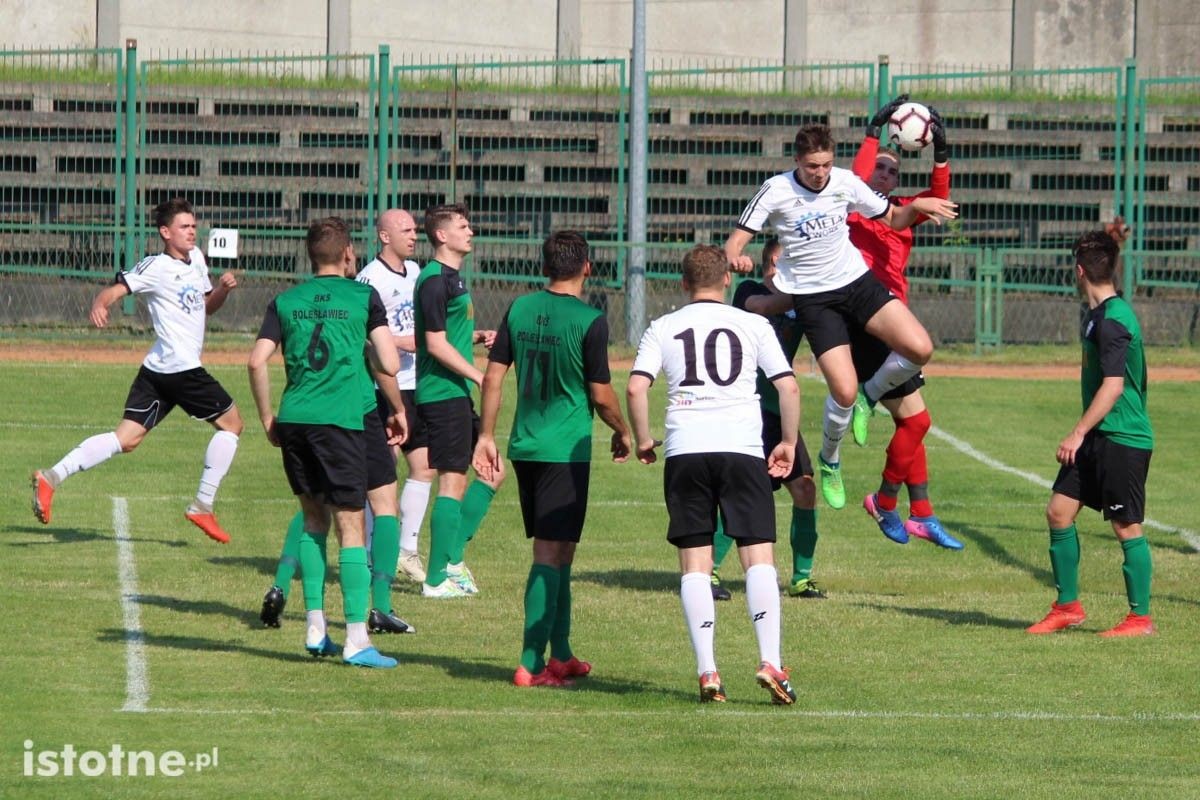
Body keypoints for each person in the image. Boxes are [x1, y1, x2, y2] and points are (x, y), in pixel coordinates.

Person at [723, 123, 957, 512]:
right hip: (816, 300)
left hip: (858, 284)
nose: (820, 173)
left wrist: (916, 207)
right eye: (813, 165)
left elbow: (894, 220)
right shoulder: (776, 190)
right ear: (798, 161)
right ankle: (831, 460)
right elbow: (737, 239)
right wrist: (737, 256)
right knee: (843, 392)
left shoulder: (845, 182)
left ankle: (872, 393)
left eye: (826, 164)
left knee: (920, 348)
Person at [627, 244, 800, 705]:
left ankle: (708, 672)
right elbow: (787, 385)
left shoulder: (662, 326)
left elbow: (636, 385)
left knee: (695, 563)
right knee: (757, 557)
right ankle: (770, 661)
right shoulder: (753, 323)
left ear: (683, 284)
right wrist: (785, 441)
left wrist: (644, 439)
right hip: (741, 448)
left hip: (686, 448)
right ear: (726, 279)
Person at [31, 197, 242, 543]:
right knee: (233, 424)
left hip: (158, 368)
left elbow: (206, 308)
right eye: (184, 227)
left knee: (125, 439)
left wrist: (221, 290)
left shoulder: (198, 260)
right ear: (165, 232)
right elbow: (117, 289)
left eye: (193, 225)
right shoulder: (155, 266)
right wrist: (101, 303)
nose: (192, 231)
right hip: (181, 369)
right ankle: (203, 504)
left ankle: (51, 477)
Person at [473, 231, 632, 688]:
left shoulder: (518, 308)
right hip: (564, 451)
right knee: (549, 551)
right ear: (587, 266)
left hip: (526, 445)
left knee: (562, 550)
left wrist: (486, 434)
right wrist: (623, 431)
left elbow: (494, 377)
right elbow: (601, 396)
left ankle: (560, 653)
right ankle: (529, 663)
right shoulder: (590, 320)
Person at [247, 216, 407, 668]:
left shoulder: (286, 300)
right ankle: (357, 638)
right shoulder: (363, 296)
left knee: (313, 521)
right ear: (348, 254)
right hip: (340, 422)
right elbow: (391, 362)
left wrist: (267, 417)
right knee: (352, 527)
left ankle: (316, 628)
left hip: (296, 419)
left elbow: (256, 361)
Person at [846, 95, 963, 550]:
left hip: (896, 320)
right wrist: (872, 132)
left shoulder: (904, 208)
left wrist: (942, 152)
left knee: (915, 423)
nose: (887, 175)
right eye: (881, 168)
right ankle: (886, 502)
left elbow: (940, 197)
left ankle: (921, 513)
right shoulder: (854, 204)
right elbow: (858, 173)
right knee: (916, 422)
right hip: (869, 320)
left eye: (894, 171)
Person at [1027, 231, 1155, 637]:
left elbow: (1113, 386)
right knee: (1059, 512)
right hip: (1101, 435)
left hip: (1122, 437)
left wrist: (1077, 432)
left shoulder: (1113, 322)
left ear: (1078, 271)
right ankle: (1067, 606)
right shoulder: (1098, 315)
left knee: (1126, 526)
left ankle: (1140, 619)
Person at [710, 238, 825, 601]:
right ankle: (708, 571)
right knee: (743, 492)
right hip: (749, 408)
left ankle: (801, 579)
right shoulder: (749, 292)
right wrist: (811, 294)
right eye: (780, 262)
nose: (785, 268)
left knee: (805, 489)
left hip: (780, 412)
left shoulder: (802, 302)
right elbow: (763, 306)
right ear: (767, 265)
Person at [414, 203, 505, 598]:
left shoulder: (453, 280)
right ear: (442, 235)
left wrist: (475, 336)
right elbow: (433, 345)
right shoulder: (435, 280)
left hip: (456, 394)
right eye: (463, 226)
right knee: (452, 483)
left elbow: (443, 335)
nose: (471, 232)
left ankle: (452, 561)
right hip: (441, 394)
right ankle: (435, 580)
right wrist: (478, 375)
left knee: (492, 473)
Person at [356, 208, 435, 583]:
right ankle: (374, 552)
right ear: (384, 237)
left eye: (415, 229)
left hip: (415, 384)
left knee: (425, 466)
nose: (414, 235)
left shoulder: (417, 273)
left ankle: (406, 551)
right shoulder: (369, 280)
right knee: (381, 475)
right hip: (382, 387)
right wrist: (409, 343)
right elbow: (368, 342)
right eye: (406, 229)